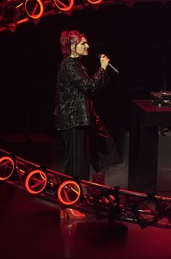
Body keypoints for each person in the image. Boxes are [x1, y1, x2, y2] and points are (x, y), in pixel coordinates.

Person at [54, 30, 120, 219]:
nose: (87, 46)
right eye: (83, 43)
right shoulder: (70, 65)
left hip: (82, 120)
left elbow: (92, 88)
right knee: (76, 167)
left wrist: (102, 72)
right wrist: (102, 68)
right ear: (72, 46)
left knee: (96, 158)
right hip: (73, 121)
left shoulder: (76, 65)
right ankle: (68, 205)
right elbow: (90, 86)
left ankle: (85, 198)